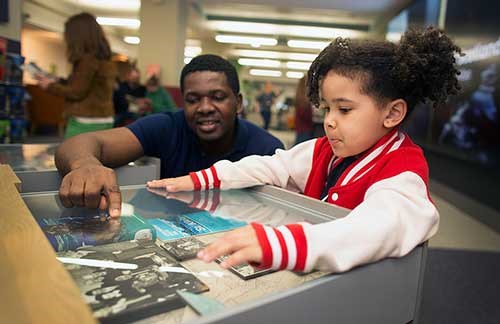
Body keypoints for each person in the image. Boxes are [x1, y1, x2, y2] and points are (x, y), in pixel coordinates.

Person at [147, 27, 462, 273]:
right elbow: (271, 166)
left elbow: (377, 228)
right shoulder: (323, 150)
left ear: (392, 113)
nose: (329, 122)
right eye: (327, 109)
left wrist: (284, 243)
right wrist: (202, 179)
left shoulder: (403, 172)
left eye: (345, 110)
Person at [55, 54, 284, 218]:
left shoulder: (266, 148)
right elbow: (81, 143)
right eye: (193, 100)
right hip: (167, 230)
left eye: (218, 97)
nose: (205, 107)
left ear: (238, 103)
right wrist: (85, 164)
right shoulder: (168, 127)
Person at [36, 12, 116, 138]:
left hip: (85, 121)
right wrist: (60, 80)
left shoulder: (87, 61)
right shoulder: (103, 59)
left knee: (74, 156)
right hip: (104, 119)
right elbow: (89, 86)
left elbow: (76, 92)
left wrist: (49, 86)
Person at [294, 76, 314, 145]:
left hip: (300, 128)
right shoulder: (305, 100)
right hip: (306, 129)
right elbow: (307, 117)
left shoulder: (299, 96)